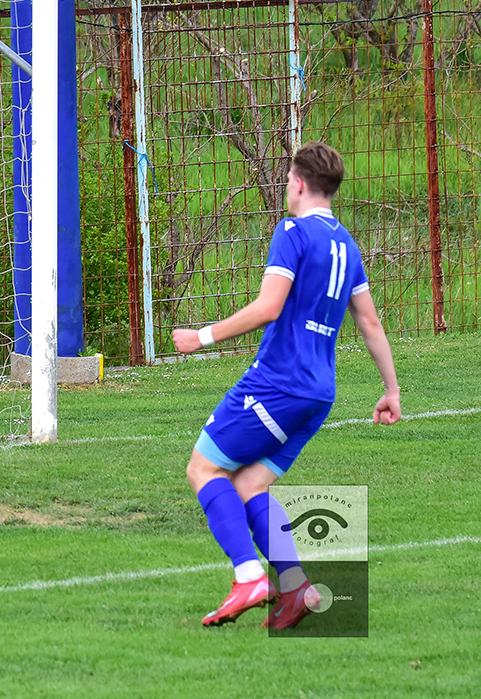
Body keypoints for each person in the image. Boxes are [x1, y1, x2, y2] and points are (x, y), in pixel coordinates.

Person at [171, 141, 401, 629]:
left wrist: (201, 337)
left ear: (297, 183)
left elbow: (269, 306)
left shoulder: (292, 232)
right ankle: (295, 589)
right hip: (318, 394)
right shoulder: (347, 245)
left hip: (278, 383)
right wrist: (392, 389)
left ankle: (249, 576)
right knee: (250, 483)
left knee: (203, 468)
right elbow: (370, 323)